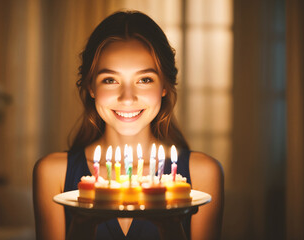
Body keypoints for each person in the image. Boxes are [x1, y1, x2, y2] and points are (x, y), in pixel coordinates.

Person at [33, 10, 224, 240]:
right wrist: (83, 226)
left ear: (164, 86)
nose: (127, 98)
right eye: (110, 80)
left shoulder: (203, 173)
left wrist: (170, 227)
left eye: (144, 80)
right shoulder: (53, 174)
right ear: (91, 87)